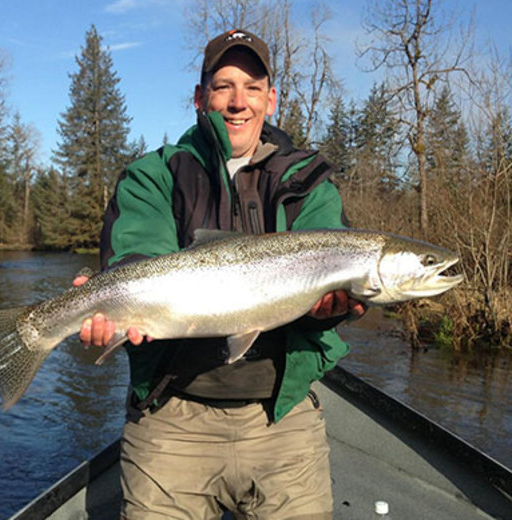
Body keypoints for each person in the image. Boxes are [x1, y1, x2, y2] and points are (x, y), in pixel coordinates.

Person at [75, 28, 366, 519]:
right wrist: (111, 302)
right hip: (172, 418)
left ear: (271, 100)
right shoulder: (154, 175)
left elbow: (330, 284)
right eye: (223, 86)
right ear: (200, 97)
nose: (238, 102)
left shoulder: (308, 183)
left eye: (252, 87)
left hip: (283, 415)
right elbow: (133, 258)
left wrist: (333, 310)